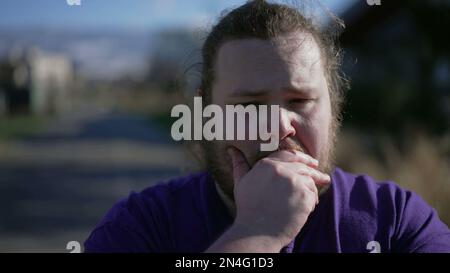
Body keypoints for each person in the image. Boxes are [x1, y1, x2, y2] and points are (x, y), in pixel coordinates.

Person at [84, 0, 450, 253]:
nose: (278, 127)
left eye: (299, 101)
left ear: (333, 107)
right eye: (249, 105)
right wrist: (255, 234)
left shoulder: (396, 221)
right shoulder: (142, 227)